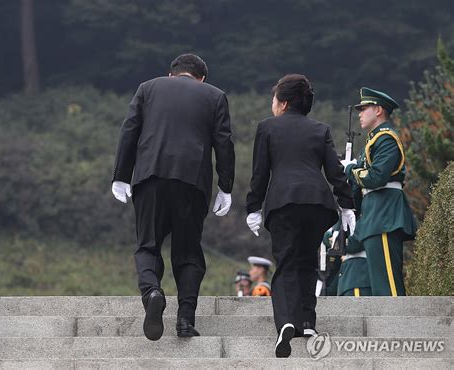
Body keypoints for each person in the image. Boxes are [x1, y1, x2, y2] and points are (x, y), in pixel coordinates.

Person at [111, 54, 235, 341]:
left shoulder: (147, 88)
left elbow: (129, 131)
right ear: (202, 78)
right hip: (192, 182)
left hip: (150, 176)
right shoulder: (215, 96)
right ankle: (185, 320)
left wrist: (120, 175)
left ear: (171, 74)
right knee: (188, 252)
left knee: (147, 246)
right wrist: (225, 186)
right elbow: (224, 143)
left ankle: (152, 291)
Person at [245, 74, 355, 358]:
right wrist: (347, 204)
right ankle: (308, 322)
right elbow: (335, 170)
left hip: (283, 202)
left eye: (274, 99)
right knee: (307, 261)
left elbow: (260, 174)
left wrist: (253, 207)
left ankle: (286, 322)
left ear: (283, 103)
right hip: (318, 203)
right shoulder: (320, 129)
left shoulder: (267, 128)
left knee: (285, 262)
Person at [341, 87, 416, 296]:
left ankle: (396, 327)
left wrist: (350, 168)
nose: (359, 114)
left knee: (388, 285)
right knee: (379, 285)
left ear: (379, 110)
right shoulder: (372, 142)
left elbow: (375, 178)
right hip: (375, 215)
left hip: (385, 214)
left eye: (364, 108)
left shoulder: (386, 139)